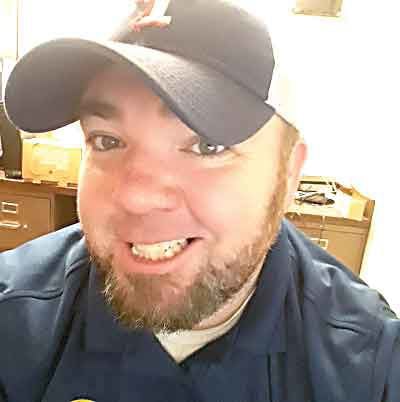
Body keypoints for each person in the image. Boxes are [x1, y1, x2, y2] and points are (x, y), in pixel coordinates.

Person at [1, 1, 400, 401]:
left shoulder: (370, 370)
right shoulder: (12, 323)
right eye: (107, 141)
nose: (137, 197)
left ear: (289, 173)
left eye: (208, 146)